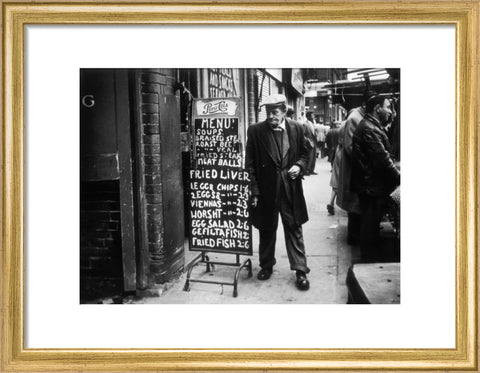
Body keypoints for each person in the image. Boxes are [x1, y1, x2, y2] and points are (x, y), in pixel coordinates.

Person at [245, 94, 310, 291]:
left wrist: (299, 165)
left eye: (274, 112)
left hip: (290, 189)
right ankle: (266, 265)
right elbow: (250, 164)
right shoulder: (256, 131)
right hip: (266, 190)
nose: (270, 116)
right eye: (267, 112)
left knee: (294, 228)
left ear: (283, 112)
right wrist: (254, 191)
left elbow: (306, 153)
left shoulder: (296, 128)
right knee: (266, 228)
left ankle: (300, 270)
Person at [351, 95, 400, 261]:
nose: (390, 112)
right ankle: (368, 260)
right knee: (369, 226)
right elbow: (382, 160)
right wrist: (399, 177)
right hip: (371, 187)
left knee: (370, 225)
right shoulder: (369, 129)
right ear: (377, 108)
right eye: (388, 107)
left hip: (371, 185)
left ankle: (370, 256)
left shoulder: (371, 125)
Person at [336, 90, 376, 244]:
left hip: (359, 169)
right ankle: (353, 238)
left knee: (357, 206)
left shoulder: (363, 116)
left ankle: (356, 235)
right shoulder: (355, 118)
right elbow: (350, 147)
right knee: (354, 206)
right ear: (366, 104)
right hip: (354, 170)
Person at [326, 121, 342, 215]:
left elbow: (327, 140)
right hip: (341, 153)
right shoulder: (342, 130)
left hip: (334, 151)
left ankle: (331, 202)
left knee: (335, 177)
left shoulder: (330, 131)